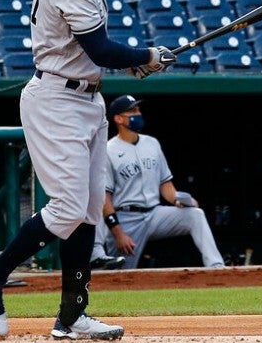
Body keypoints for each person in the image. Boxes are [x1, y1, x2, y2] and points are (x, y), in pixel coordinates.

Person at [0, 0, 176, 340]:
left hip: (85, 97)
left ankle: (72, 315)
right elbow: (99, 47)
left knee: (85, 212)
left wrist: (137, 60)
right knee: (64, 209)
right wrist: (146, 54)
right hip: (57, 100)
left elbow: (95, 53)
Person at [93, 94, 224, 270]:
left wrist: (179, 200)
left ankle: (216, 267)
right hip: (126, 218)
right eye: (132, 111)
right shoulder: (109, 150)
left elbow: (165, 185)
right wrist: (118, 234)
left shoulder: (152, 143)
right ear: (118, 118)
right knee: (119, 274)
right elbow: (105, 199)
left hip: (154, 214)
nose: (138, 113)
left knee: (195, 215)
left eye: (138, 109)